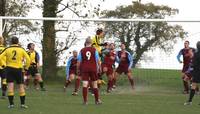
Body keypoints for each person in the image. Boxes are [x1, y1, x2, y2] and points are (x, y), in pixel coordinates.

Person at [0, 36, 30, 108]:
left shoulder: (7, 49)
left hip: (9, 69)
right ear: (18, 42)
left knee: (10, 86)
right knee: (21, 86)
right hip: (18, 69)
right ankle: (22, 104)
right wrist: (26, 68)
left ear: (11, 42)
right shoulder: (21, 49)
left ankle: (11, 104)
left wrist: (3, 65)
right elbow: (28, 59)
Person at [77, 38, 102, 105]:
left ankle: (85, 101)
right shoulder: (94, 50)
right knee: (95, 84)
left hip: (85, 69)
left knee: (85, 84)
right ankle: (97, 101)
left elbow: (79, 61)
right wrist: (100, 68)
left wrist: (78, 69)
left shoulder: (82, 50)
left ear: (85, 43)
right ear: (91, 43)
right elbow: (98, 61)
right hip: (93, 69)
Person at [184, 41, 200, 105]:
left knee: (193, 86)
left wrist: (189, 73)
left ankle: (190, 101)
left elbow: (193, 64)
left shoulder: (196, 54)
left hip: (196, 72)